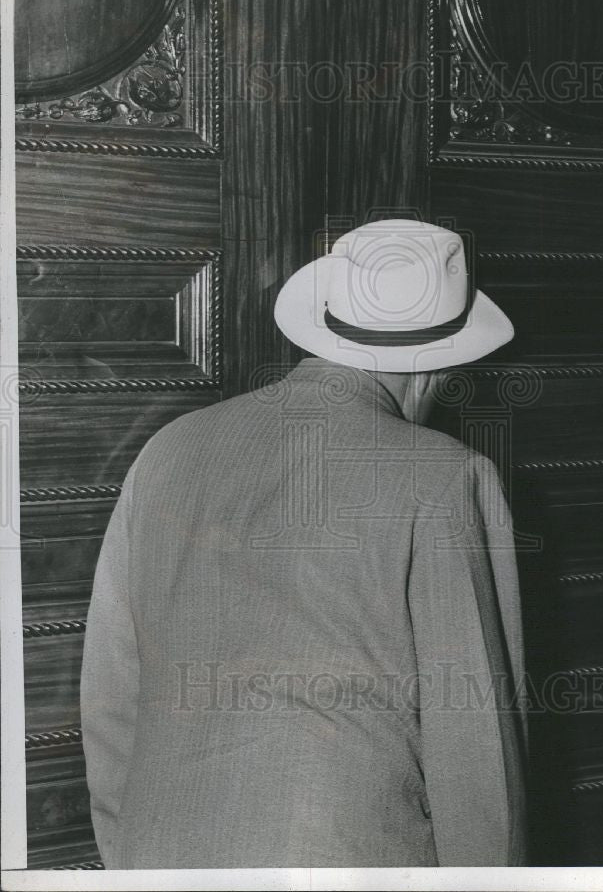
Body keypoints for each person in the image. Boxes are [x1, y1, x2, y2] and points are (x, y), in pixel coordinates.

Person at [80, 218, 528, 868]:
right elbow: (475, 753)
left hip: (162, 855)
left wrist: (132, 862)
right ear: (438, 365)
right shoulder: (446, 478)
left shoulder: (169, 449)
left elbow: (111, 696)